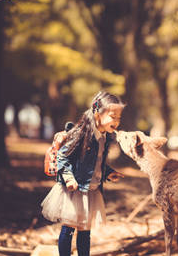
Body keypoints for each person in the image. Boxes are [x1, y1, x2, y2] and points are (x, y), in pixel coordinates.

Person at [41, 91, 125, 256]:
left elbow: (96, 162)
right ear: (97, 113)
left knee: (85, 232)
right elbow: (62, 156)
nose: (116, 121)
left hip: (91, 190)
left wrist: (108, 173)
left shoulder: (105, 138)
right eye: (113, 116)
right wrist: (69, 178)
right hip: (75, 189)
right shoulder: (81, 133)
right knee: (69, 228)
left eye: (119, 118)